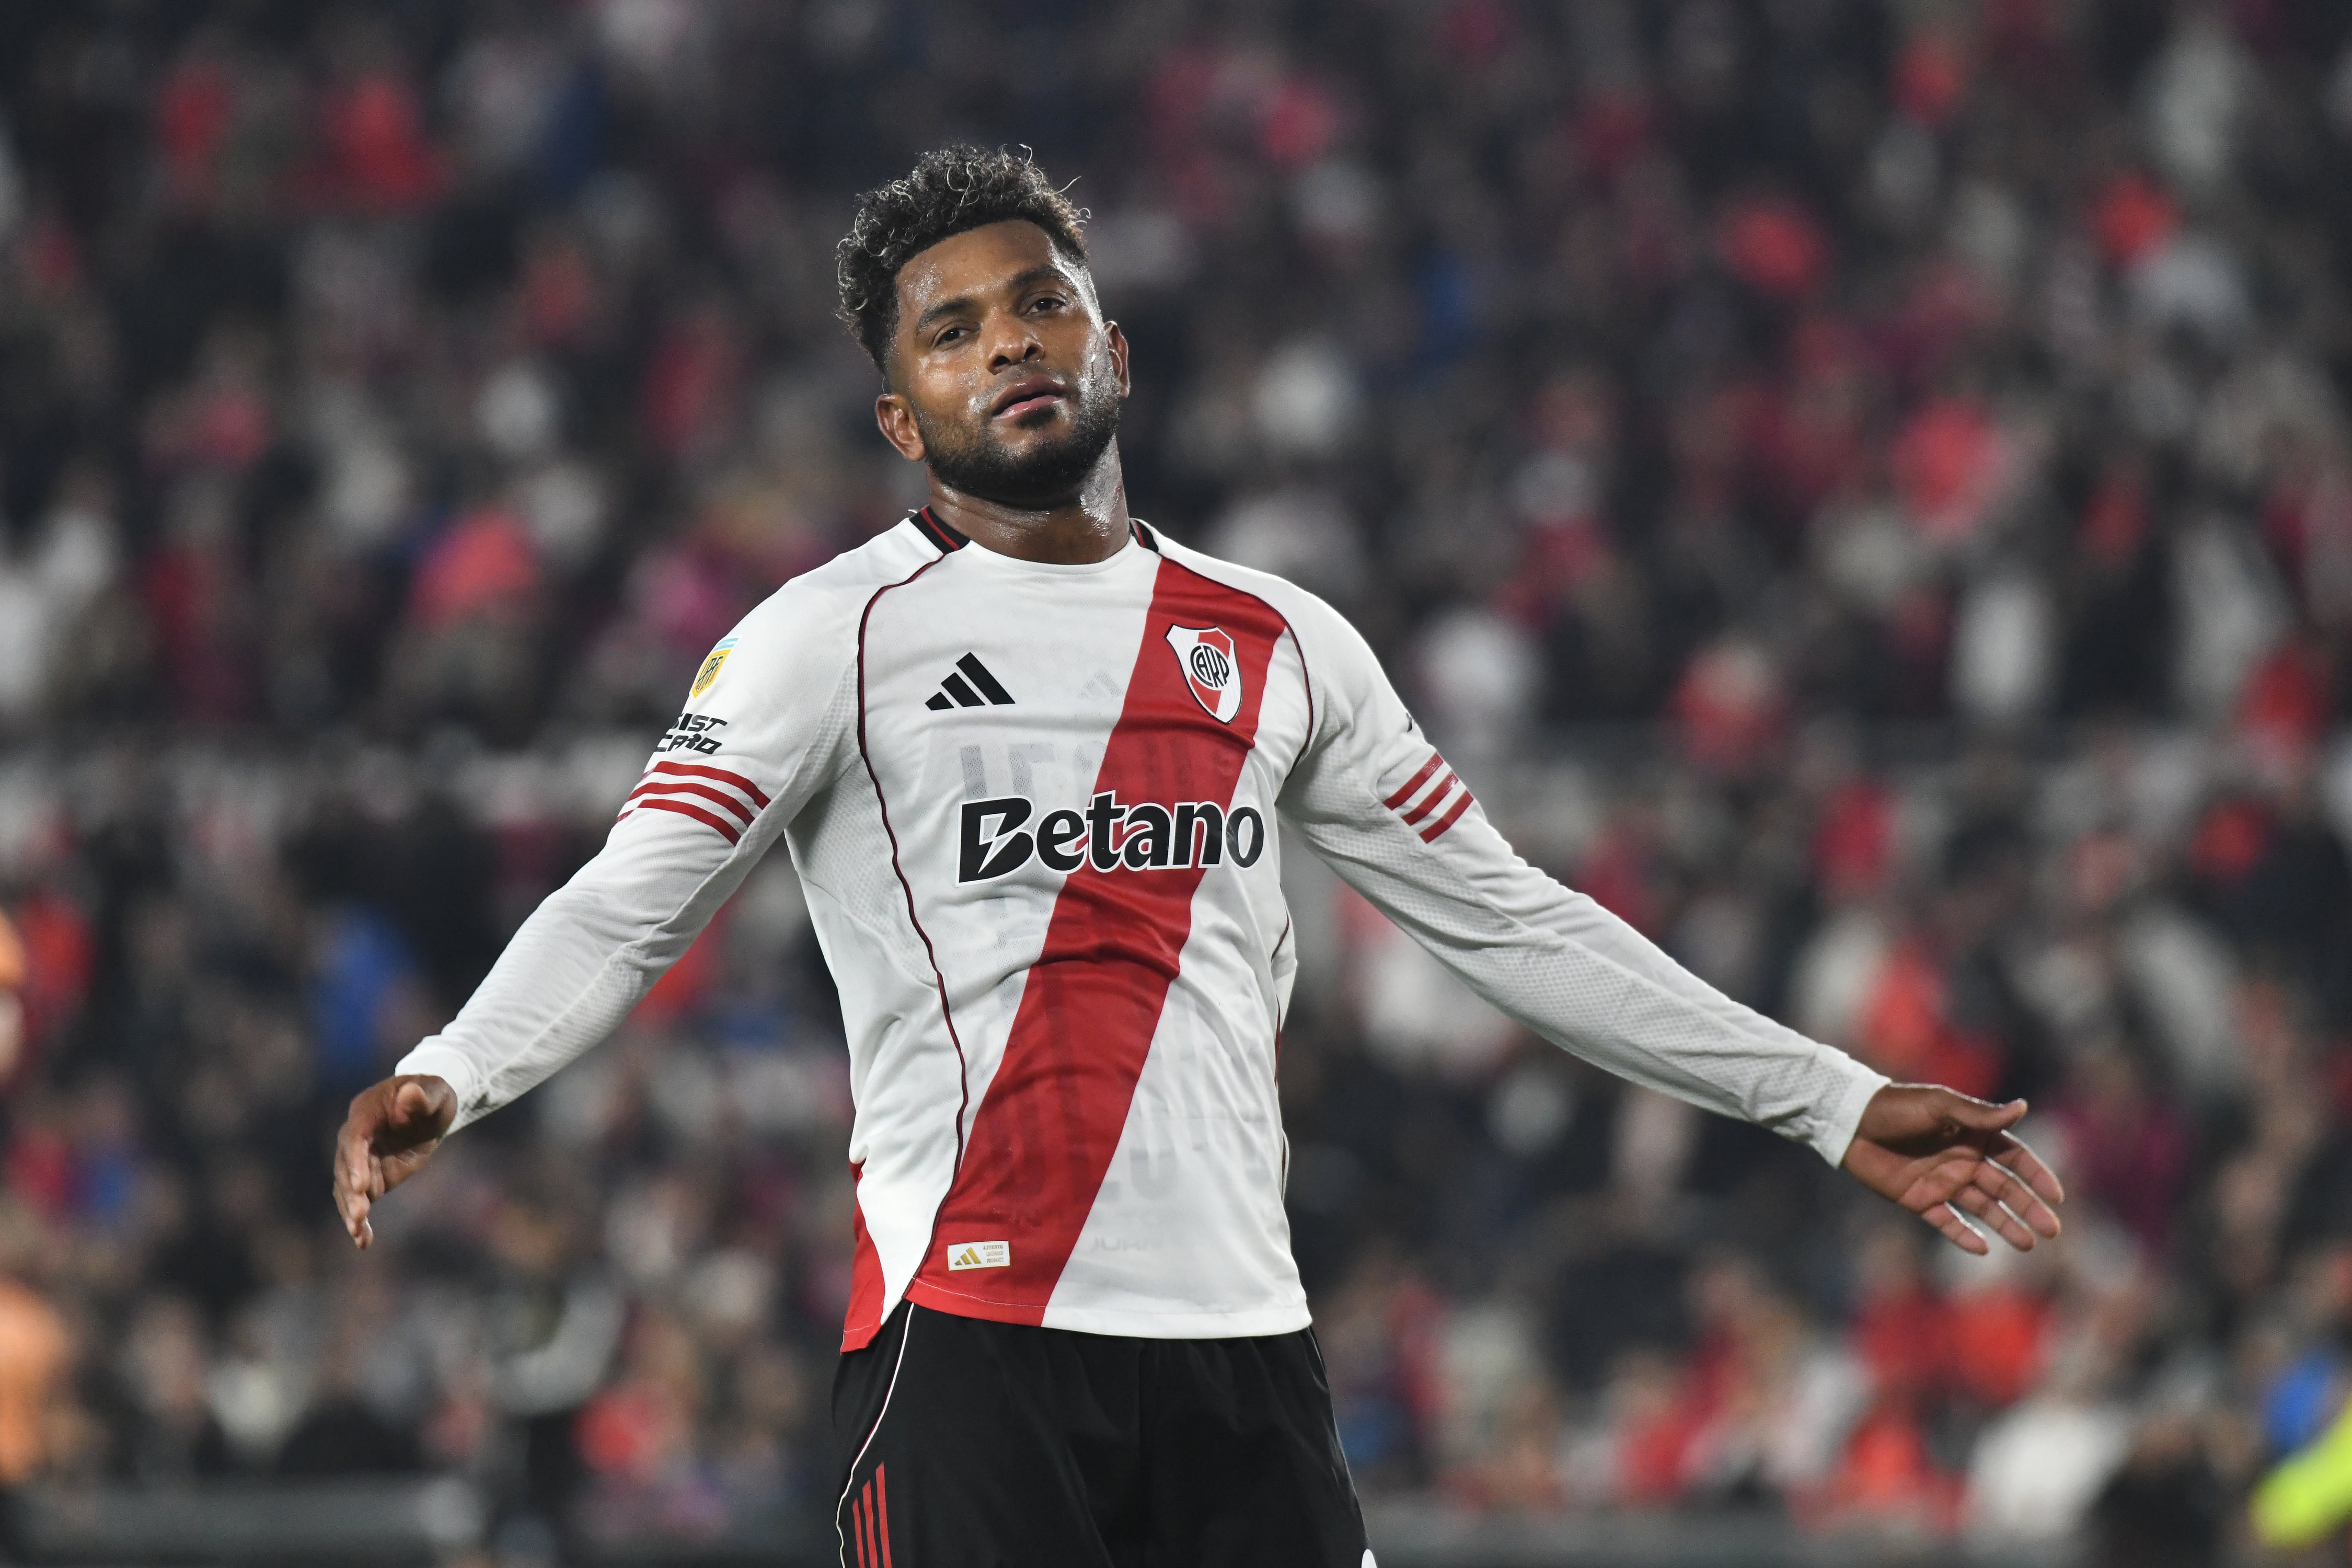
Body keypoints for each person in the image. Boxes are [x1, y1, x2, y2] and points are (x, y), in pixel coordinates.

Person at [333, 145, 2065, 1566]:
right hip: (972, 1353)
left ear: (1115, 351)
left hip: (1244, 1351)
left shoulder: (1283, 640)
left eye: (1040, 305)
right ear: (896, 416)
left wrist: (1826, 1101)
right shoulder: (824, 641)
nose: (1008, 345)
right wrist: (452, 1071)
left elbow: (1513, 923)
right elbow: (631, 901)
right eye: (950, 331)